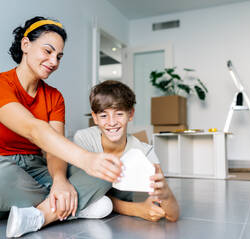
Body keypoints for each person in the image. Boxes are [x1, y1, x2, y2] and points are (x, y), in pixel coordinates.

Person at [0, 16, 123, 239]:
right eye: (48, 51)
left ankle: (41, 215)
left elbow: (53, 149)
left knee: (105, 172)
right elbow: (33, 129)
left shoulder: (54, 97)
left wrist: (60, 180)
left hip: (37, 170)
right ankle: (74, 206)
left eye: (59, 56)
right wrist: (86, 159)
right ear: (26, 45)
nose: (54, 61)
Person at [73, 80, 179, 222]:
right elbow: (81, 190)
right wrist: (135, 209)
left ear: (130, 114)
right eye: (104, 116)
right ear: (95, 118)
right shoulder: (84, 139)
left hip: (105, 211)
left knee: (102, 204)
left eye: (119, 114)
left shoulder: (143, 152)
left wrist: (165, 193)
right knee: (101, 203)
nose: (112, 122)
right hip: (81, 196)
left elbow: (172, 215)